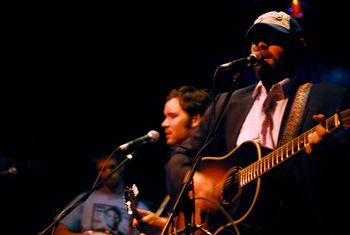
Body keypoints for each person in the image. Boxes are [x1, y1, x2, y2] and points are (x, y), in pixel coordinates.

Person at [160, 11, 350, 235]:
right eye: (255, 40)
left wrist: (331, 153)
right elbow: (181, 153)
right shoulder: (228, 102)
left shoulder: (329, 98)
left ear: (297, 46)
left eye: (272, 38)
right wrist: (192, 182)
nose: (260, 45)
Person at [132, 85, 213, 235]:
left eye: (173, 116)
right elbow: (191, 225)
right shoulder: (179, 160)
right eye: (165, 116)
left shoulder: (215, 160)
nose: (164, 123)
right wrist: (162, 224)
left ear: (195, 119)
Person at [53, 152, 150, 235]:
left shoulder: (137, 205)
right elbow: (58, 231)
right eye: (102, 169)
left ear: (122, 167)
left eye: (112, 167)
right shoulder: (86, 198)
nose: (108, 172)